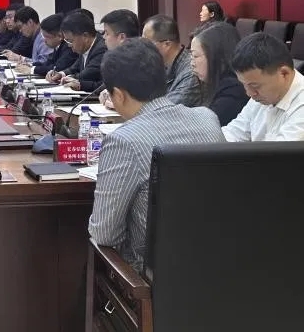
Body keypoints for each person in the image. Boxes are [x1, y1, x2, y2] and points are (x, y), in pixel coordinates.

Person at [88, 38, 225, 273]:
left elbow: (104, 234)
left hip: (151, 278)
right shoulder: (207, 118)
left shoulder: (123, 141)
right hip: (219, 263)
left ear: (118, 95)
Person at [222, 33, 304, 142]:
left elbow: (280, 152)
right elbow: (234, 132)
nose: (249, 93)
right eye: (244, 84)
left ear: (284, 73)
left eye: (254, 86)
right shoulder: (261, 94)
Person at [190, 22, 248, 126]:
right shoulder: (217, 83)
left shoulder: (233, 91)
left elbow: (204, 127)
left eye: (195, 56)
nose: (192, 63)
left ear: (218, 57)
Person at [142, 15, 203, 107]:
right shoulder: (159, 64)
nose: (142, 47)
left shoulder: (191, 72)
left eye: (146, 43)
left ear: (167, 44)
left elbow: (166, 109)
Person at [47, 12, 107, 91]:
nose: (69, 45)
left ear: (85, 36)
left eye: (70, 41)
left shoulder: (101, 49)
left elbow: (86, 74)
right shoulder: (84, 47)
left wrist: (66, 78)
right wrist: (60, 74)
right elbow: (73, 68)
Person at [98, 9, 141, 108]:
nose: (103, 37)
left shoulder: (143, 62)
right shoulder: (115, 60)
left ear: (122, 37)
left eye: (107, 33)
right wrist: (107, 92)